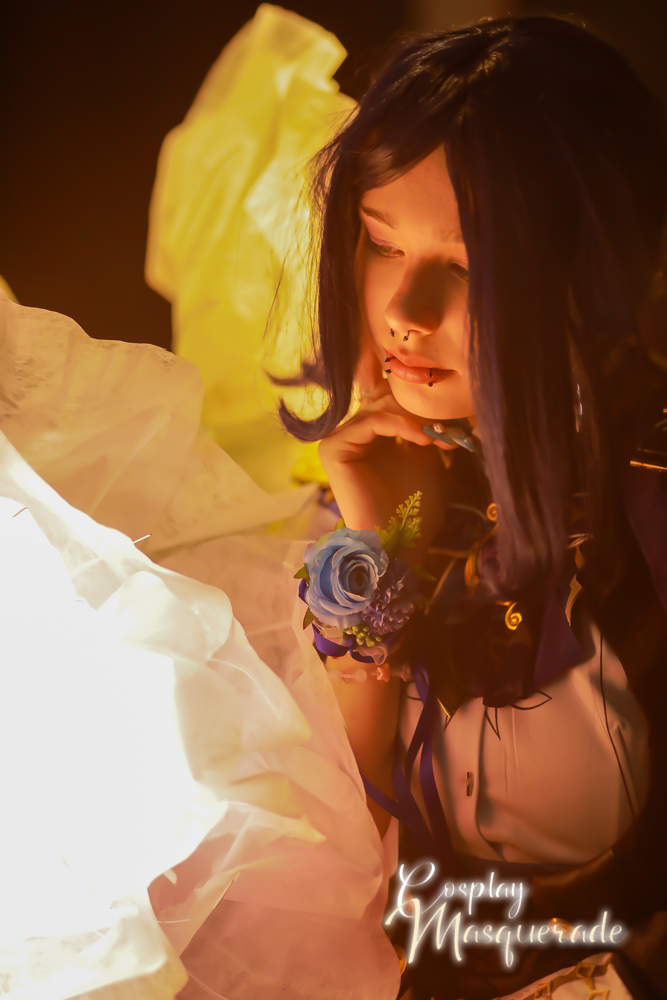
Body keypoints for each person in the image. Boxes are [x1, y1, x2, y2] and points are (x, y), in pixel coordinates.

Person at [277, 15, 667, 999]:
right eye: (380, 242)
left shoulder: (647, 500)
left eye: (467, 263)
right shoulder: (409, 485)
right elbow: (342, 852)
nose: (403, 311)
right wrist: (373, 541)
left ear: (588, 275)